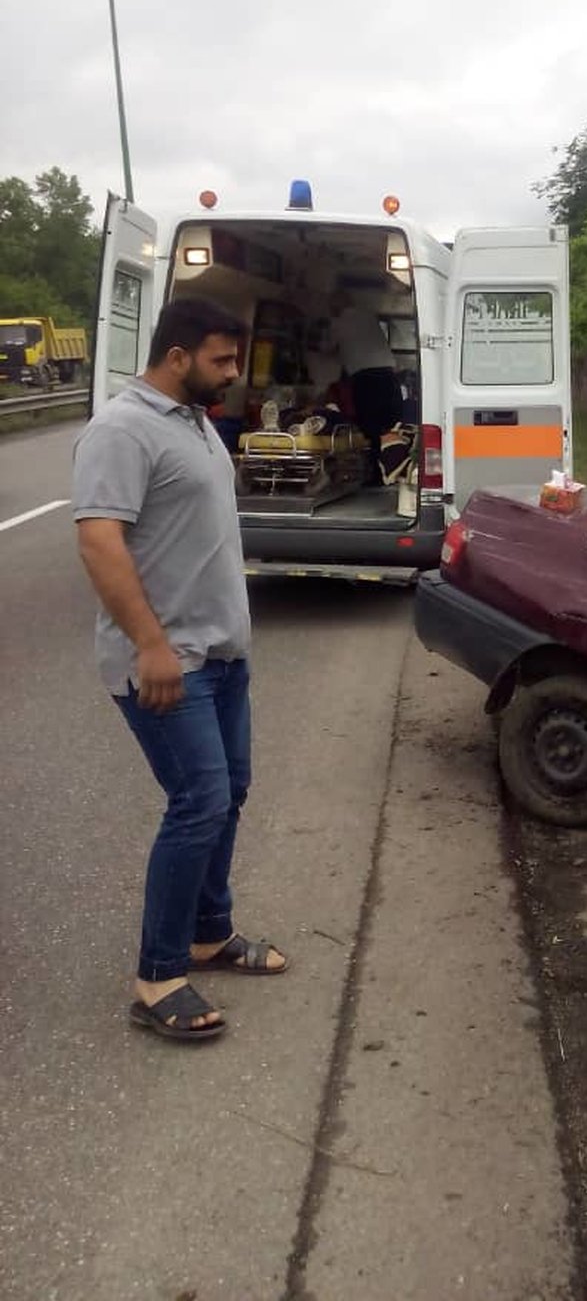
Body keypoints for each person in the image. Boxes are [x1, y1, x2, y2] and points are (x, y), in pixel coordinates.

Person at [73, 296, 287, 1043]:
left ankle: (208, 934)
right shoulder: (122, 428)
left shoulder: (195, 422)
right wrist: (150, 645)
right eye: (222, 360)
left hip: (222, 655)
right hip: (169, 662)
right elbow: (100, 540)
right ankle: (157, 976)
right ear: (177, 357)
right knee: (198, 803)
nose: (233, 373)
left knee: (229, 794)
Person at [329, 289, 402, 483]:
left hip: (366, 379)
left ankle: (374, 477)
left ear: (336, 305)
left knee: (369, 427)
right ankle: (394, 471)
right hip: (389, 377)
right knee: (392, 425)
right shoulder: (368, 316)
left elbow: (326, 347)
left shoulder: (338, 323)